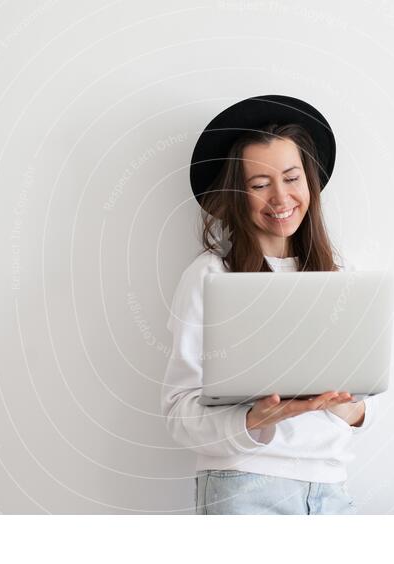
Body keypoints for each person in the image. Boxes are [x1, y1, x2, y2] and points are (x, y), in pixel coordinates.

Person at [161, 95, 380, 515]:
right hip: (244, 485)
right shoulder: (210, 276)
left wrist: (345, 405)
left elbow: (365, 404)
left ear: (310, 183)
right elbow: (179, 411)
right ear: (238, 196)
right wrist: (256, 420)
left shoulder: (341, 275)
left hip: (330, 489)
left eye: (292, 178)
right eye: (260, 185)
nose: (280, 198)